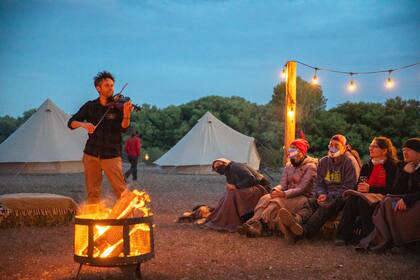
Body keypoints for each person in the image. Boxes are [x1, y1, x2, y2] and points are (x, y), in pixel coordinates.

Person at [277, 134, 361, 241]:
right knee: (311, 202)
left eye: (337, 145)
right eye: (331, 144)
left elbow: (349, 187)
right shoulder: (324, 161)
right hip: (326, 195)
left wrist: (328, 196)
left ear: (345, 147)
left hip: (342, 197)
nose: (333, 148)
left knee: (325, 206)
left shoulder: (350, 162)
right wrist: (321, 193)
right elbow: (319, 183)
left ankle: (304, 231)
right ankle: (297, 220)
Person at [68, 71, 133, 204]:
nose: (111, 88)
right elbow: (71, 123)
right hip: (91, 153)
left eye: (112, 85)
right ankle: (94, 219)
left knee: (121, 190)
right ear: (98, 88)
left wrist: (126, 114)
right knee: (93, 192)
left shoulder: (118, 107)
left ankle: (128, 222)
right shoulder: (90, 106)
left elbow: (124, 128)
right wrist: (84, 125)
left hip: (112, 154)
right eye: (107, 85)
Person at [239, 139, 317, 241]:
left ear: (301, 152)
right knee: (265, 198)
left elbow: (302, 188)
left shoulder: (310, 167)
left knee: (275, 202)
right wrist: (276, 190)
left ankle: (261, 226)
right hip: (286, 194)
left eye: (293, 149)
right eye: (290, 149)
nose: (290, 152)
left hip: (302, 197)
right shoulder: (289, 165)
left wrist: (283, 194)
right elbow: (283, 184)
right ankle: (254, 222)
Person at [357, 138, 420, 252]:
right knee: (387, 202)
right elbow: (396, 191)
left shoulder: (392, 165)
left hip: (414, 200)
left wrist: (407, 199)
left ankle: (410, 243)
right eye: (404, 150)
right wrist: (405, 173)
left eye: (409, 150)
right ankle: (390, 241)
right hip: (403, 199)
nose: (405, 153)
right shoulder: (402, 166)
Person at [335, 136, 399, 245]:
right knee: (352, 199)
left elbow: (393, 189)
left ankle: (367, 238)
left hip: (384, 197)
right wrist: (358, 188)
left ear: (384, 150)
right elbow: (360, 183)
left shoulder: (393, 166)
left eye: (374, 146)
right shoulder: (367, 166)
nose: (370, 148)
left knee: (362, 201)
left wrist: (370, 188)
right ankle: (343, 236)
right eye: (370, 146)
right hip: (367, 195)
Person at [202, 158, 270, 232]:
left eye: (218, 164)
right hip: (250, 186)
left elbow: (251, 179)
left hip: (260, 186)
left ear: (225, 163)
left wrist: (236, 186)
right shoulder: (228, 171)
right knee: (227, 194)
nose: (217, 168)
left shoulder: (235, 167)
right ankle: (224, 217)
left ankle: (233, 219)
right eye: (215, 168)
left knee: (232, 195)